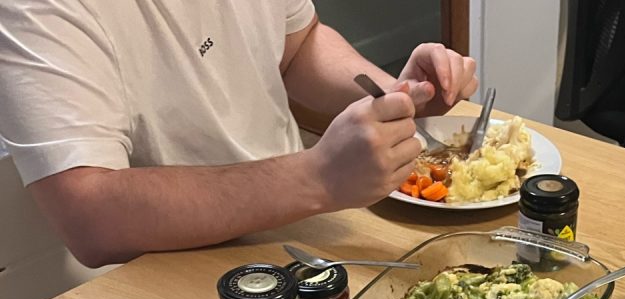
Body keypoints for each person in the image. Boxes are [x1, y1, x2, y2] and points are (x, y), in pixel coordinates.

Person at [0, 1, 477, 267]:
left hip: (305, 228)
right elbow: (90, 216)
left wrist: (395, 97)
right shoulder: (33, 10)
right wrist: (318, 177)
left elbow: (298, 45)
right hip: (163, 277)